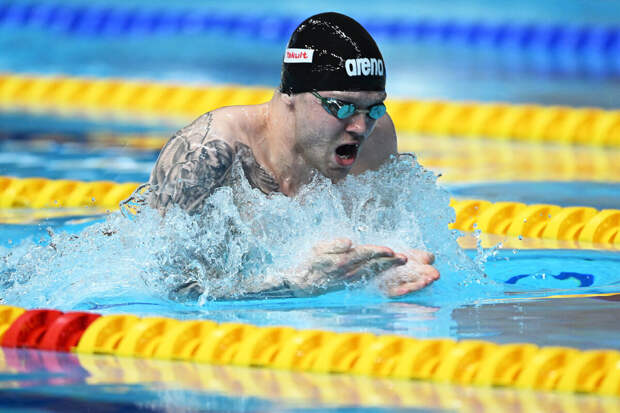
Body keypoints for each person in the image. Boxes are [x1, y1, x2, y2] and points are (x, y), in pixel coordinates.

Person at [124, 12, 439, 299]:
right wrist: (295, 284)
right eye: (340, 106)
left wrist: (386, 270)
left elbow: (378, 236)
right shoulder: (208, 153)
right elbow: (165, 287)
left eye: (374, 108)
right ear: (291, 95)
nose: (360, 127)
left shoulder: (376, 136)